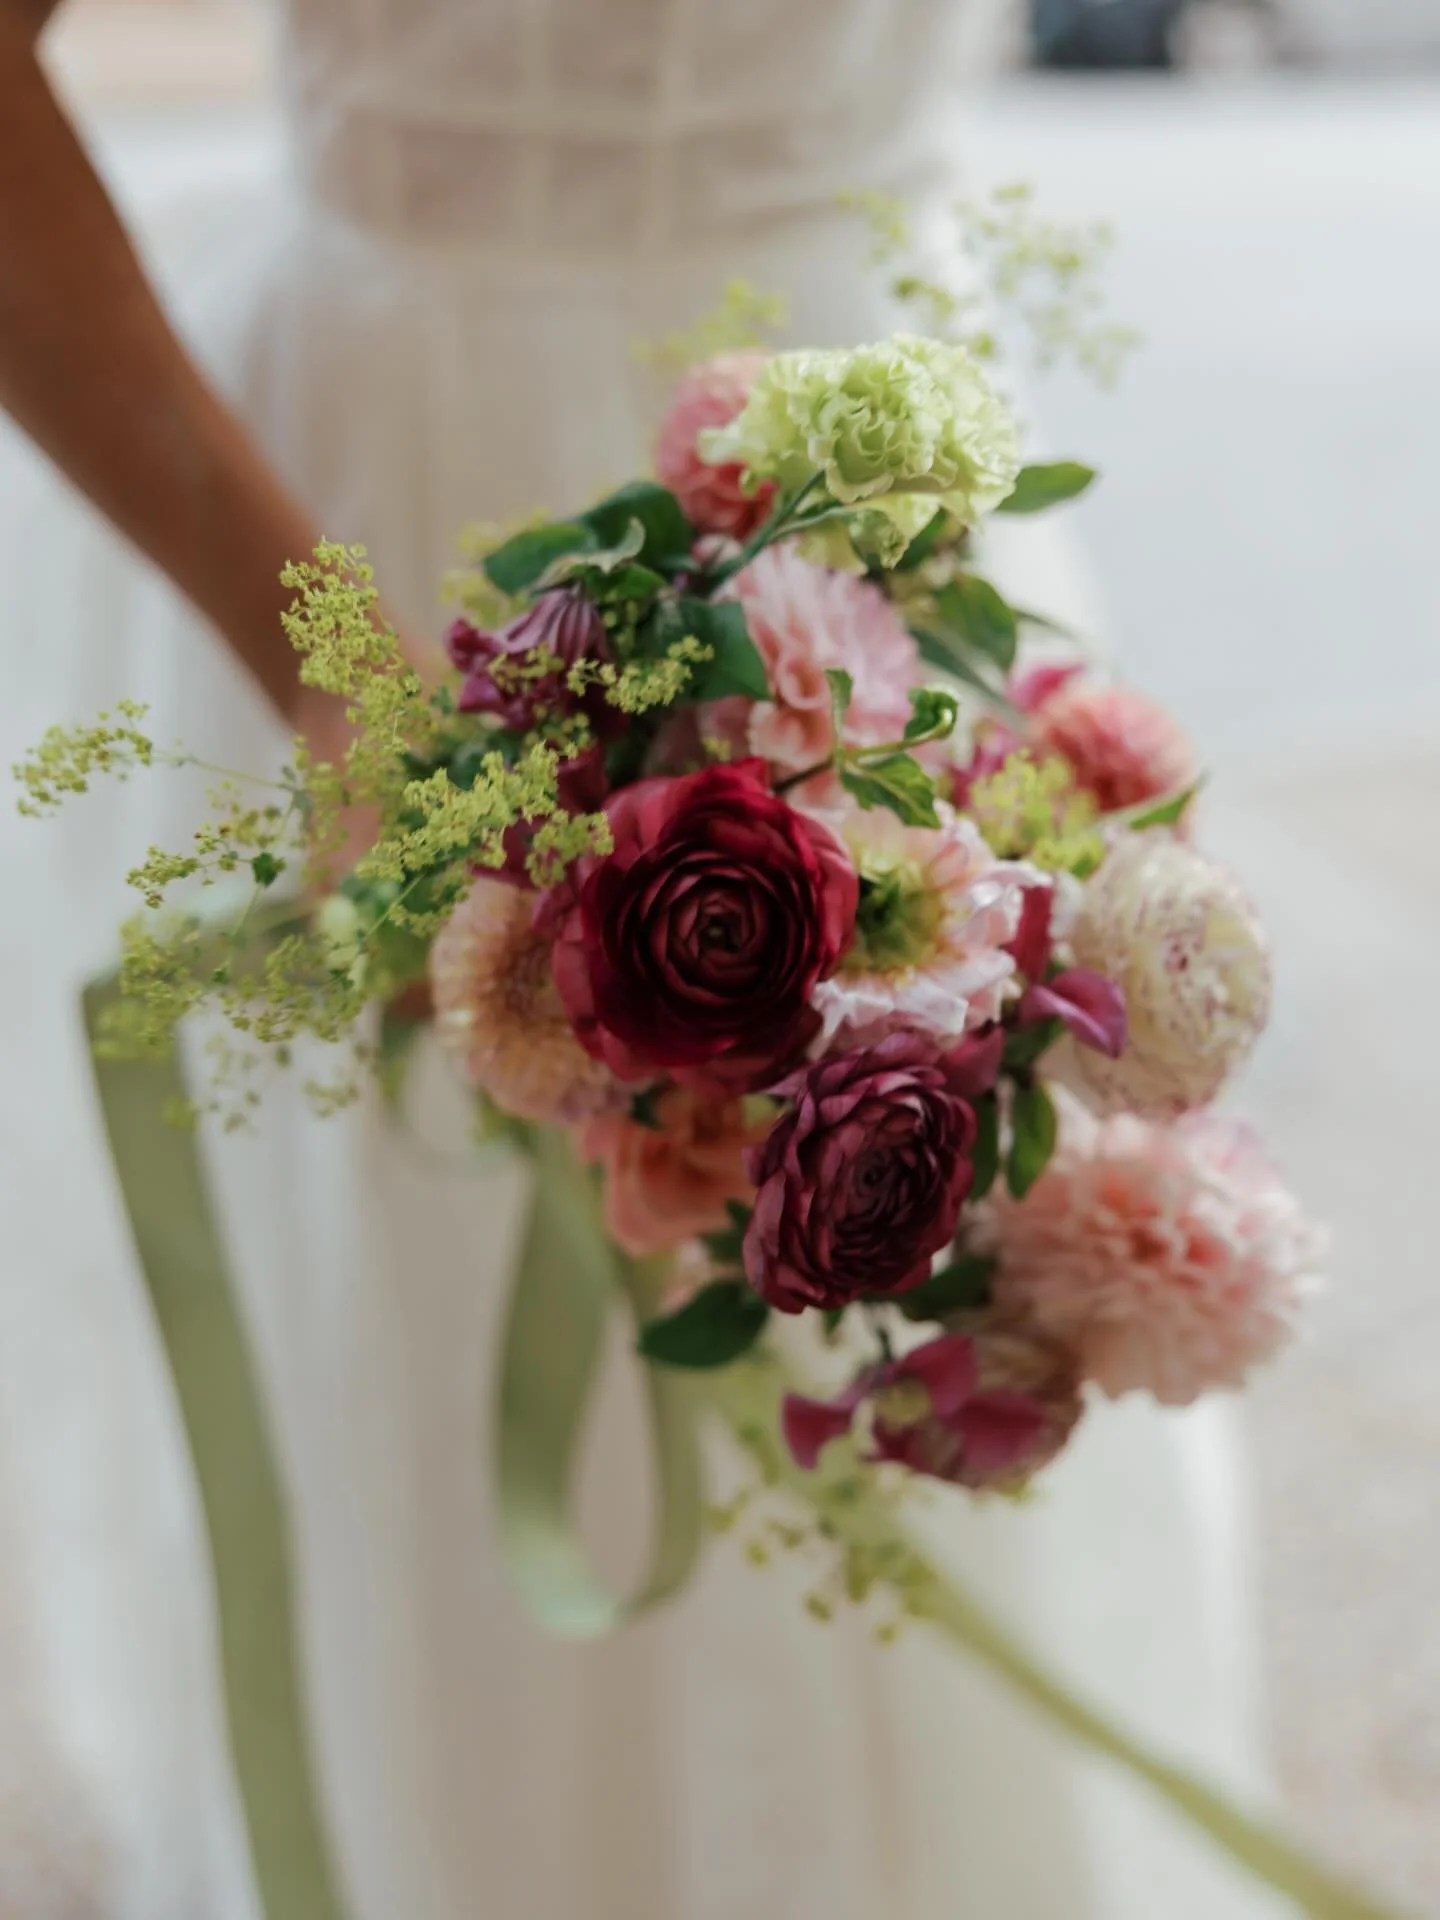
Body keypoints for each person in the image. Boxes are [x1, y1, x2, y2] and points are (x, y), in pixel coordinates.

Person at [0, 3, 1288, 1915]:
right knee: (446, 1386)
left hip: (881, 496)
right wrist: (348, 690)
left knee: (953, 1328)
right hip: (393, 508)